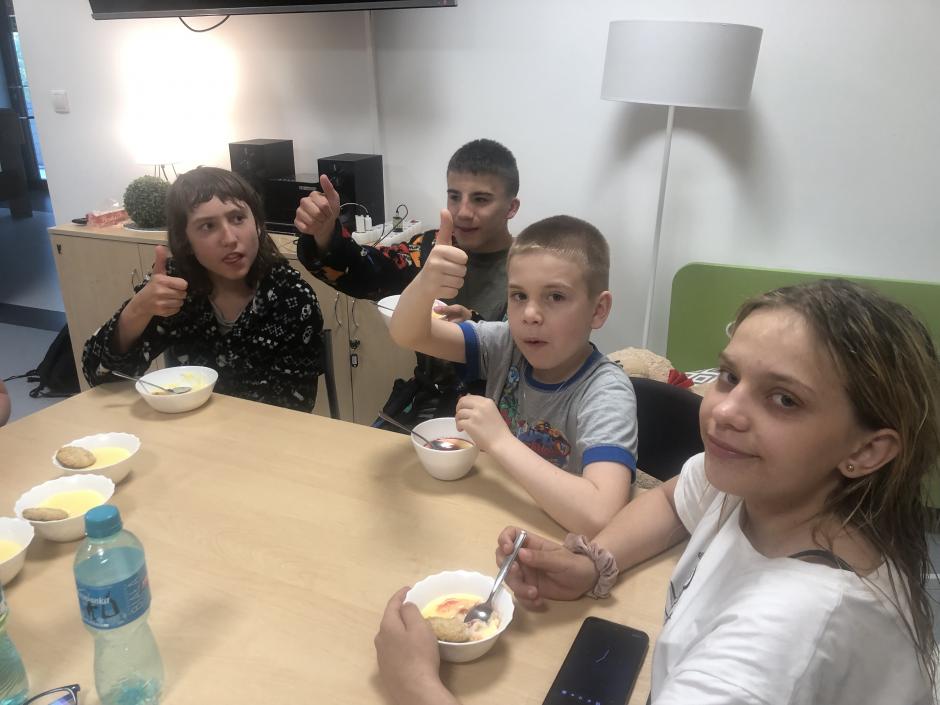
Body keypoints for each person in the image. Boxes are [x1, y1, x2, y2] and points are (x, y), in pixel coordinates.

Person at [376, 279, 939, 705]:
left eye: (784, 399)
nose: (724, 411)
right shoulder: (758, 487)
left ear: (867, 450)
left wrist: (416, 687)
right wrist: (594, 563)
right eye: (729, 377)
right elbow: (673, 499)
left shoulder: (781, 643)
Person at [390, 213, 637, 537]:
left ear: (598, 310)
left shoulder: (606, 391)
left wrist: (498, 441)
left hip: (557, 544)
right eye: (519, 296)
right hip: (497, 523)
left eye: (556, 296)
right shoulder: (506, 344)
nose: (530, 314)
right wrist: (426, 284)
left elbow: (600, 516)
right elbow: (408, 334)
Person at [293, 138, 520, 426]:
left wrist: (474, 326)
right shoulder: (430, 249)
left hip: (501, 413)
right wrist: (325, 233)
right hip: (425, 405)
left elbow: (534, 352)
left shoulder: (529, 269)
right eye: (454, 197)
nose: (463, 212)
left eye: (481, 199)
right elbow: (367, 271)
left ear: (511, 207)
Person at [83, 167, 324, 412]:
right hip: (184, 426)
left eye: (238, 218)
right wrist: (138, 309)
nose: (229, 239)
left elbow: (295, 406)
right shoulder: (175, 286)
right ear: (185, 241)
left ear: (258, 225)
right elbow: (100, 377)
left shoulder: (291, 298)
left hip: (257, 432)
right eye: (208, 226)